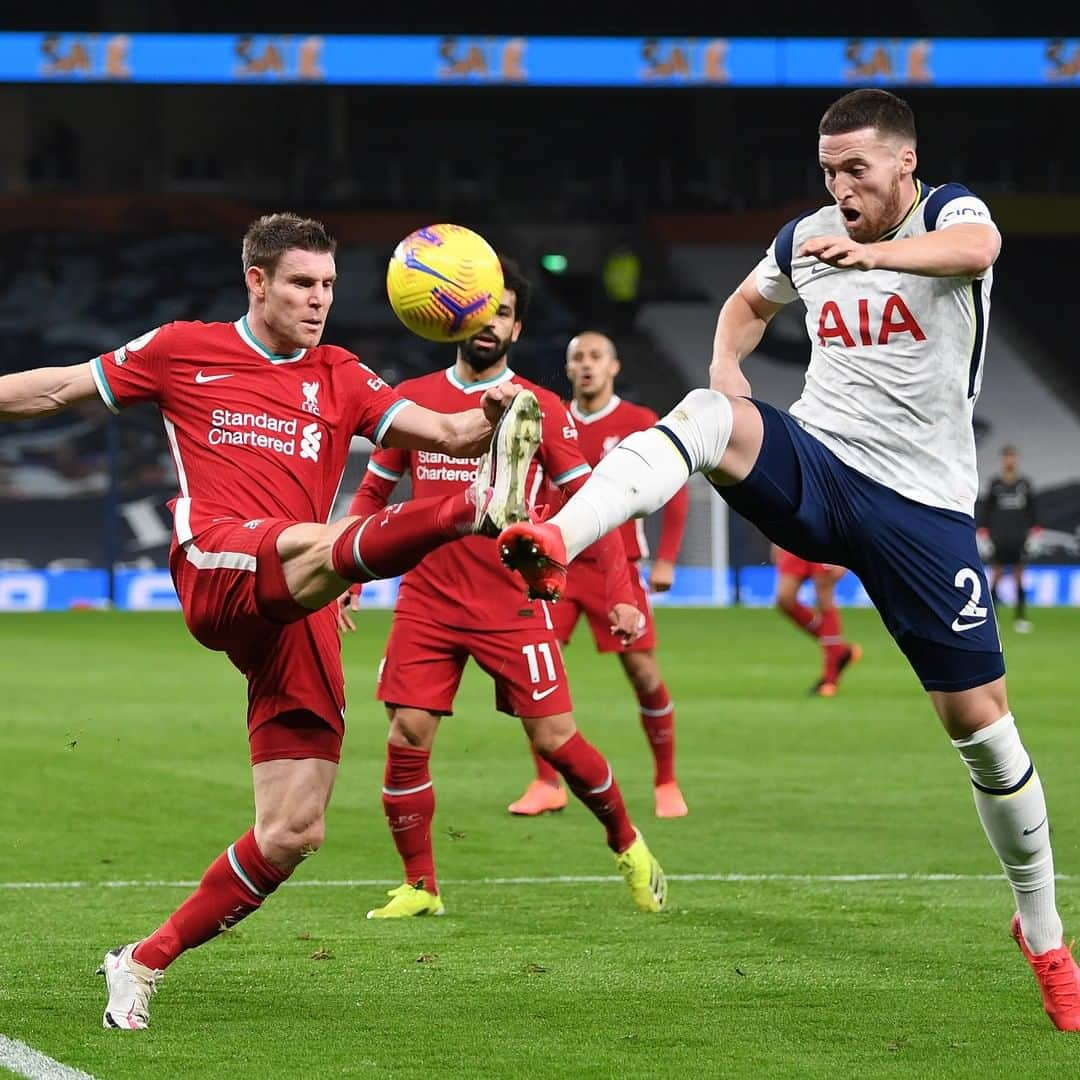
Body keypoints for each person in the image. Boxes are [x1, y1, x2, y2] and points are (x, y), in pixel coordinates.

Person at [498, 89, 1080, 1031]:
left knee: (983, 729)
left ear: (904, 163)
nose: (840, 189)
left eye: (857, 169)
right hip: (817, 465)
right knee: (701, 411)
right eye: (828, 172)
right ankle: (558, 537)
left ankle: (1044, 934)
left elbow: (981, 252)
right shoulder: (806, 236)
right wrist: (729, 369)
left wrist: (875, 255)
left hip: (923, 509)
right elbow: (743, 303)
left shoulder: (949, 213)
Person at [0, 212, 541, 1030]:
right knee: (318, 539)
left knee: (293, 830)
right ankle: (471, 513)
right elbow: (58, 387)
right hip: (218, 560)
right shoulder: (185, 348)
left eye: (327, 285)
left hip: (301, 600)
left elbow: (452, 431)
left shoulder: (344, 375)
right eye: (300, 283)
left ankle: (140, 962)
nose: (318, 299)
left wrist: (499, 412)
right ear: (256, 282)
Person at [342, 259, 667, 919]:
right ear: (454, 316)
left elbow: (592, 505)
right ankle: (421, 886)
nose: (492, 323)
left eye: (506, 313)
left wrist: (623, 590)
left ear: (518, 326)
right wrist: (345, 572)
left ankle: (628, 844)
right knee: (406, 734)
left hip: (512, 600)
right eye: (483, 310)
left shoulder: (540, 406)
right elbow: (373, 491)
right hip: (427, 599)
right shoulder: (414, 399)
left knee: (556, 742)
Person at [507, 330, 691, 818]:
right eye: (577, 358)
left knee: (643, 672)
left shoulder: (638, 423)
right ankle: (547, 783)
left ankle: (666, 780)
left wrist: (667, 557)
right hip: (557, 564)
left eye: (596, 357)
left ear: (614, 366)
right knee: (534, 674)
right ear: (568, 369)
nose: (586, 365)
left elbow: (675, 491)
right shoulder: (550, 419)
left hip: (618, 565)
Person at [771, 543, 861, 696]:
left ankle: (829, 679)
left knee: (824, 597)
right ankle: (838, 649)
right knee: (784, 599)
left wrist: (846, 553)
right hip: (794, 537)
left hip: (823, 538)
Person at [980, 445, 1040, 634]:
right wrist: (983, 533)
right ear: (1002, 460)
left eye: (1012, 457)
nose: (1010, 461)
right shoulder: (995, 484)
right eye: (1007, 457)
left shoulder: (1024, 484)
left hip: (1019, 537)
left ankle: (1020, 618)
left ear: (1016, 460)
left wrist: (1035, 533)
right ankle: (993, 619)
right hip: (999, 537)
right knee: (996, 575)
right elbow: (986, 511)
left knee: (1019, 576)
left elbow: (1032, 511)